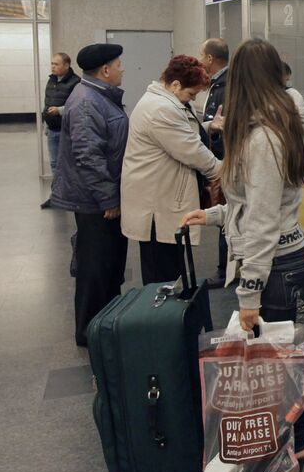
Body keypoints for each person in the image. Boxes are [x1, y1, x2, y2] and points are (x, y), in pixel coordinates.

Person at [181, 38, 304, 472]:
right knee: (283, 369)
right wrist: (215, 214)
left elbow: (261, 219)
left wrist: (249, 292)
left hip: (273, 266)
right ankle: (294, 454)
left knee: (274, 377)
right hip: (279, 257)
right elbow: (257, 204)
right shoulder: (273, 125)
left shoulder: (262, 137)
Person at [50, 43, 129, 347]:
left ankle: (105, 323)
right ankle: (89, 330)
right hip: (93, 201)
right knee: (94, 267)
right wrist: (108, 198)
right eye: (119, 65)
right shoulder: (86, 102)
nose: (123, 70)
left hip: (99, 197)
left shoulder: (99, 97)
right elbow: (88, 155)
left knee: (108, 265)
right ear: (105, 70)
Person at [121, 55, 220, 285]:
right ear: (175, 85)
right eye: (191, 94)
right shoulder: (160, 108)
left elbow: (180, 135)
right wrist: (223, 172)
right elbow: (190, 149)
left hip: (160, 199)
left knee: (169, 272)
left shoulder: (166, 101)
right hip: (156, 207)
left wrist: (207, 126)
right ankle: (160, 321)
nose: (192, 99)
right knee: (161, 280)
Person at [200, 38, 231, 282]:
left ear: (210, 58)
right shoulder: (218, 83)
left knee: (227, 213)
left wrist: (215, 157)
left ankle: (225, 270)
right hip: (222, 158)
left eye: (203, 56)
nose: (201, 61)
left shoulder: (224, 85)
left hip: (225, 159)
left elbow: (222, 124)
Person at [41, 53, 80, 208]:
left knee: (68, 165)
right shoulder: (51, 81)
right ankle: (56, 196)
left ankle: (70, 197)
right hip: (52, 129)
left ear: (67, 65)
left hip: (67, 131)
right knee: (54, 164)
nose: (53, 67)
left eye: (56, 64)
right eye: (52, 64)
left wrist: (60, 110)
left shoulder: (76, 82)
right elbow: (47, 103)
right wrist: (46, 125)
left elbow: (76, 105)